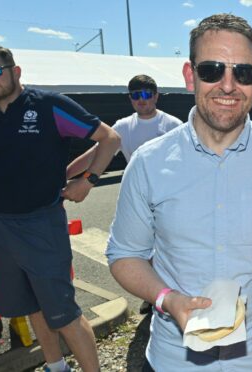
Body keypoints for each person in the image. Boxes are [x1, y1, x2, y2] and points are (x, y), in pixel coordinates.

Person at [105, 14, 252, 371]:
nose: (227, 86)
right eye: (212, 70)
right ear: (189, 75)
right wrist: (166, 299)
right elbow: (124, 255)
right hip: (173, 360)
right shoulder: (149, 162)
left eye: (242, 73)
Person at [0, 44, 120, 372]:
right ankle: (56, 367)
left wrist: (88, 181)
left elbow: (109, 139)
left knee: (63, 313)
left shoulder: (48, 106)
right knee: (31, 306)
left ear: (15, 71)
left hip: (40, 224)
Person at [66, 74, 183, 315]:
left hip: (168, 197)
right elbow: (93, 155)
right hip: (138, 198)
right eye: (136, 95)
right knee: (142, 249)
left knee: (168, 248)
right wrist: (64, 175)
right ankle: (153, 296)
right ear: (130, 98)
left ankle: (173, 295)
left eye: (147, 94)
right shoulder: (122, 127)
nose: (142, 100)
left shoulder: (173, 125)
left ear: (156, 96)